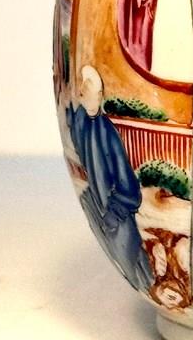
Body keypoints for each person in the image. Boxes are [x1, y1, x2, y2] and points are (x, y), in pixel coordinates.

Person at [66, 65, 153, 291]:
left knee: (129, 252)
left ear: (100, 96)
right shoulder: (82, 121)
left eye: (95, 94)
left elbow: (129, 187)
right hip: (98, 201)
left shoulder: (107, 132)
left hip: (115, 210)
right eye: (86, 92)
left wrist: (115, 213)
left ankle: (147, 284)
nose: (90, 98)